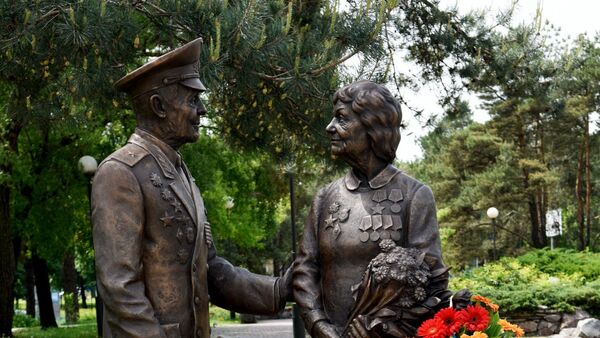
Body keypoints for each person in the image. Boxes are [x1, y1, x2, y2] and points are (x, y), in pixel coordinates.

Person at [92, 38, 291, 338]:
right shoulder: (121, 173)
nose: (203, 110)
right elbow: (120, 291)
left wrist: (280, 288)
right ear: (158, 106)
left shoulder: (181, 174)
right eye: (193, 99)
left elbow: (210, 270)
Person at [293, 80, 449, 338]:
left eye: (342, 119)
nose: (330, 127)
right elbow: (304, 270)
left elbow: (431, 280)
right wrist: (319, 325)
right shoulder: (325, 197)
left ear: (373, 127)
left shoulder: (414, 195)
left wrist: (380, 326)